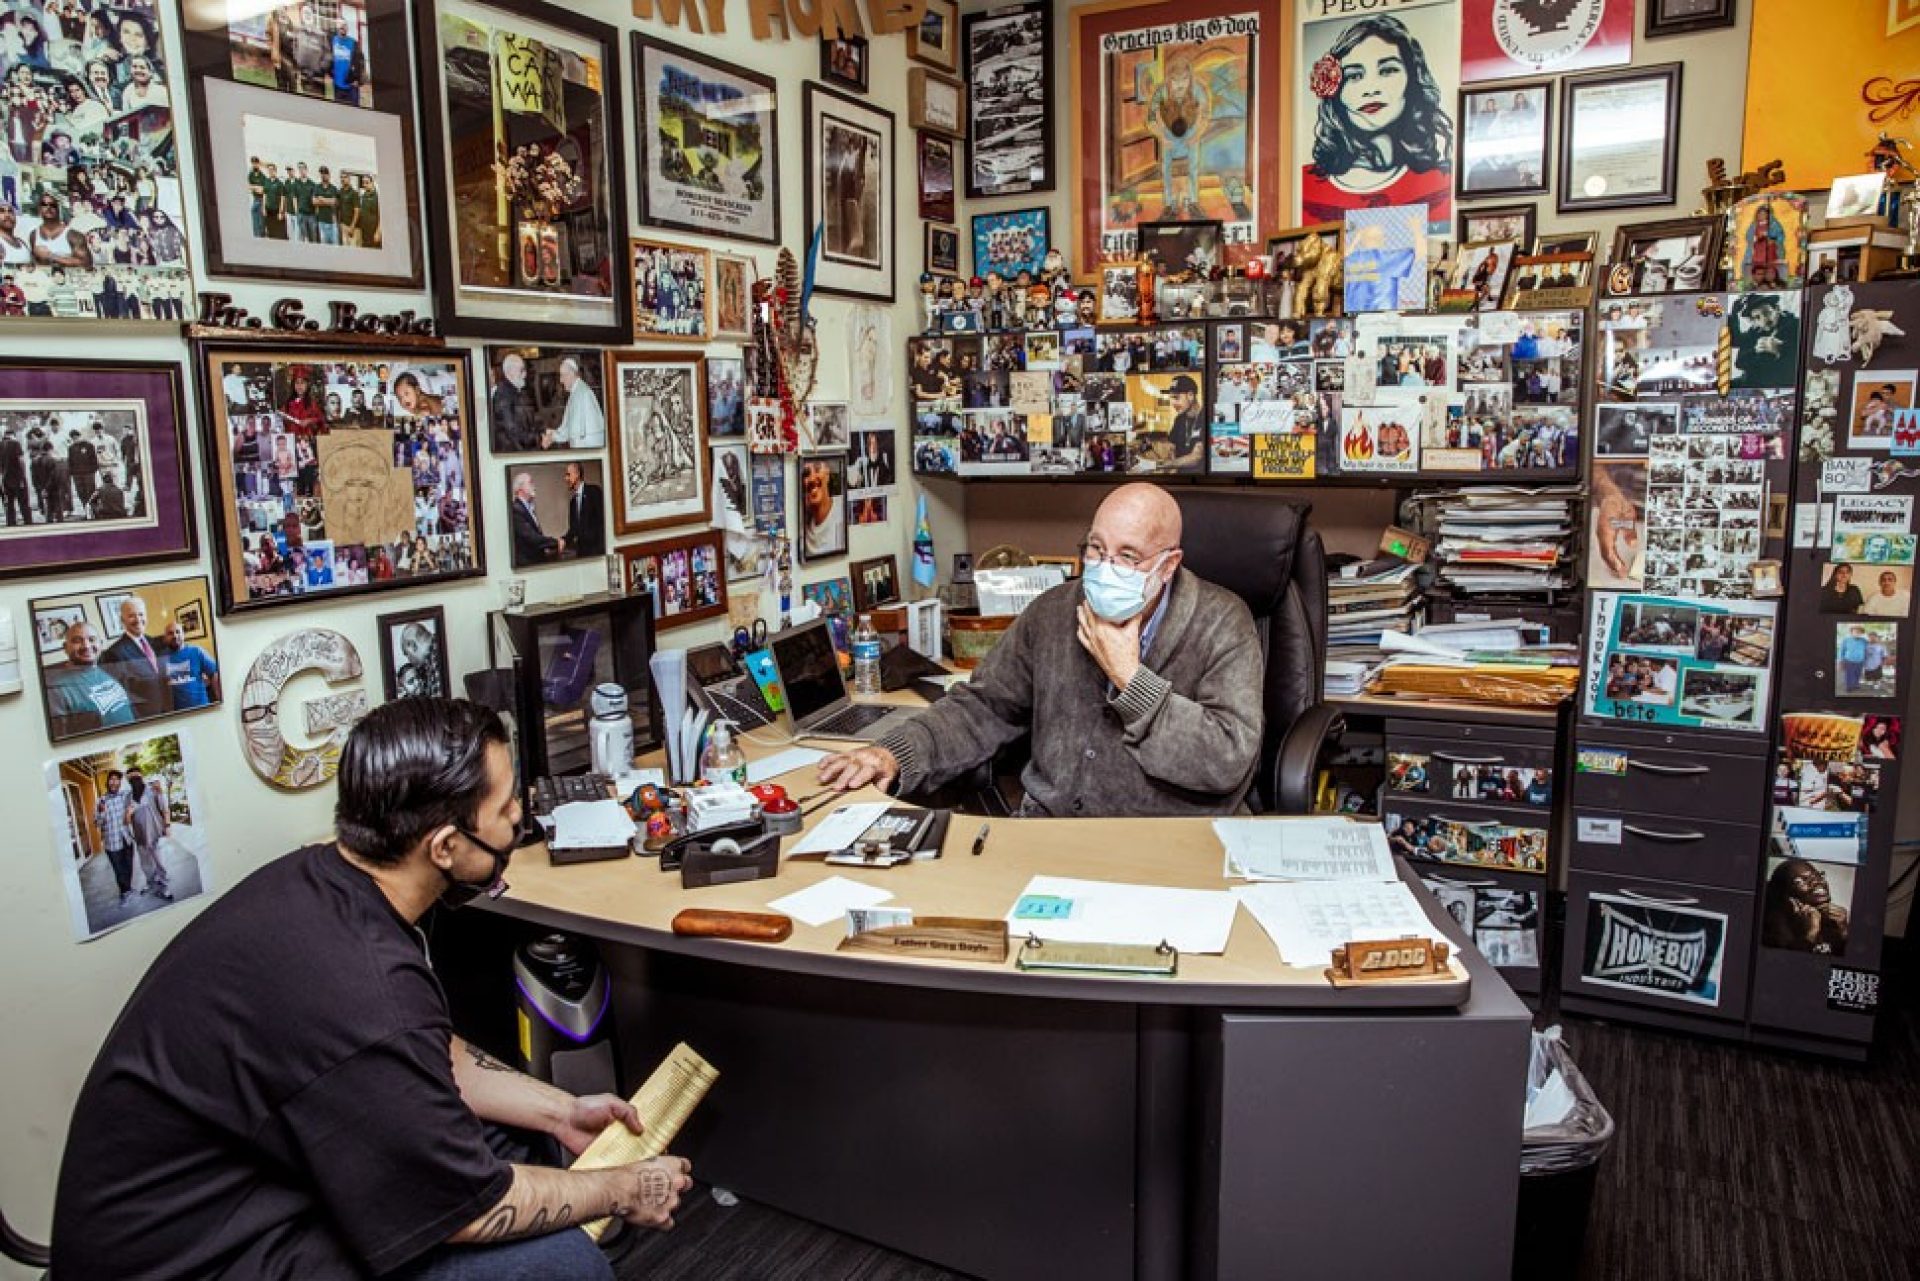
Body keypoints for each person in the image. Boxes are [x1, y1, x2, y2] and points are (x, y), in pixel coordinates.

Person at [52, 698, 692, 1280]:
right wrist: (623, 1187)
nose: (519, 818)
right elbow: (471, 1207)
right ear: (445, 845)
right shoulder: (366, 987)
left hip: (247, 1179)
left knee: (527, 1139)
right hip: (192, 1258)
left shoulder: (322, 880)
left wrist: (560, 1109)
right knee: (563, 1266)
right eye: (504, 810)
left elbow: (423, 1055)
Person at [818, 484, 1263, 816]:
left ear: (1168, 565)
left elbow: (1227, 758)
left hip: (1167, 843)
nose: (1105, 568)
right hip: (1048, 832)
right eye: (1096, 548)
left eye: (1128, 557)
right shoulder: (1053, 612)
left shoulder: (1223, 622)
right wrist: (893, 753)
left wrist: (1131, 679)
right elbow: (983, 707)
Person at [1299, 14, 1455, 227]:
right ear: (1336, 91)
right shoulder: (1305, 186)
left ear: (1411, 80)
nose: (1371, 89)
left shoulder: (1442, 181)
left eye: (1387, 70)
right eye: (1354, 76)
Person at [46, 620, 135, 739]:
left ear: (101, 644)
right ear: (65, 648)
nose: (86, 646)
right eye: (77, 641)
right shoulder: (56, 689)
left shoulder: (107, 671)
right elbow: (60, 739)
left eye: (92, 639)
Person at [100, 593, 169, 719]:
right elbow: (120, 697)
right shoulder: (114, 653)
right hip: (145, 716)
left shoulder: (157, 643)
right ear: (122, 620)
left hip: (170, 709)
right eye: (131, 615)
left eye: (141, 614)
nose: (138, 619)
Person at [1761, 858, 1849, 954]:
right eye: (1802, 881)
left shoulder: (1835, 922)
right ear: (1787, 896)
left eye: (1818, 875)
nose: (1817, 882)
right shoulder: (1774, 930)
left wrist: (1844, 932)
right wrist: (1811, 934)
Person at [125, 767, 171, 901]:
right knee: (145, 864)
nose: (134, 780)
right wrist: (128, 814)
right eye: (131, 778)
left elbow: (164, 807)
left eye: (136, 777)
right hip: (139, 836)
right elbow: (126, 820)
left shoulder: (152, 790)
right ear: (128, 780)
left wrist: (167, 825)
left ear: (141, 776)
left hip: (154, 832)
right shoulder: (128, 797)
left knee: (159, 862)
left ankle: (164, 886)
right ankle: (151, 884)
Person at [158, 617, 219, 710]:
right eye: (170, 633)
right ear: (165, 638)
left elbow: (214, 673)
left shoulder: (197, 651)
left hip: (202, 708)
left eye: (178, 632)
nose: (175, 635)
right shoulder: (161, 657)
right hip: (176, 714)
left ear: (183, 634)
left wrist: (219, 700)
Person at [491, 352, 542, 451]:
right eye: (521, 370)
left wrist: (542, 431)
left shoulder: (518, 392)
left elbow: (530, 420)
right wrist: (538, 438)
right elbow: (513, 431)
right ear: (510, 372)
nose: (525, 374)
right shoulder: (504, 395)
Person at [553, 356, 605, 448]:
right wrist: (554, 434)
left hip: (587, 446)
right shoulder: (578, 390)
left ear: (572, 374)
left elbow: (574, 430)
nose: (561, 380)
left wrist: (554, 436)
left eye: (563, 375)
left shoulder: (580, 393)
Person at [510, 471, 562, 564]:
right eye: (530, 483)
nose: (534, 486)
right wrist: (555, 543)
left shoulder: (528, 508)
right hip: (526, 565)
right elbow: (532, 538)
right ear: (520, 488)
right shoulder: (516, 510)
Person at [800, 456, 843, 558]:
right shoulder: (803, 526)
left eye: (817, 468)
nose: (811, 478)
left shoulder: (842, 512)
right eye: (806, 473)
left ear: (827, 473)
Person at [562, 461, 605, 557]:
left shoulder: (594, 491)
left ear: (577, 474)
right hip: (582, 554)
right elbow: (574, 529)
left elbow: (603, 521)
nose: (566, 478)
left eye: (568, 475)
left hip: (598, 552)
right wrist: (563, 540)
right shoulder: (572, 502)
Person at [1839, 626, 1869, 693]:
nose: (1857, 633)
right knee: (1849, 674)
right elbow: (1842, 651)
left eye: (1859, 632)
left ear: (1861, 633)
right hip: (1849, 661)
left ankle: (1856, 685)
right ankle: (1849, 687)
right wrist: (1841, 660)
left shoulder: (1864, 641)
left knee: (1858, 674)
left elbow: (1866, 651)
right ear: (1851, 632)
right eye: (1855, 631)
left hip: (1860, 661)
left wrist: (1865, 660)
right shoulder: (1846, 640)